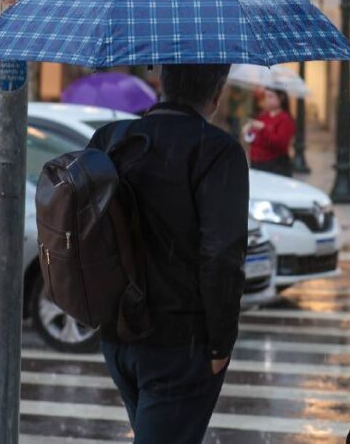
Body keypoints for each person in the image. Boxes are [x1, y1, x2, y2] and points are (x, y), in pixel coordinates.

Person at [89, 64, 249, 444]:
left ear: (161, 82)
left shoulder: (111, 138)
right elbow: (222, 254)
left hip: (117, 333)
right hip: (180, 342)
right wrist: (220, 343)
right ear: (217, 93)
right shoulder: (216, 150)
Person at [245, 87, 295, 177]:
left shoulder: (285, 119)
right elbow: (254, 139)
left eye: (270, 96)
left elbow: (280, 143)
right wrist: (248, 133)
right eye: (266, 96)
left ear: (281, 98)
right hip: (256, 162)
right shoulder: (263, 116)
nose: (267, 100)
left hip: (274, 165)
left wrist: (263, 128)